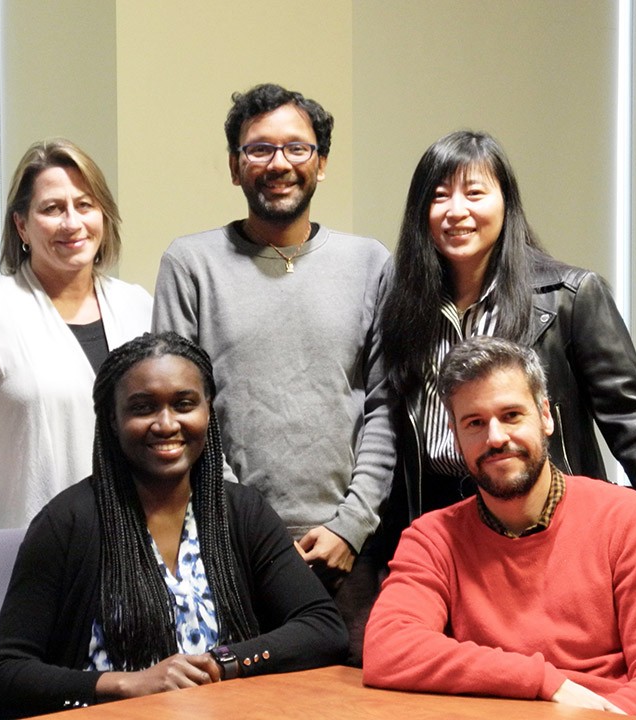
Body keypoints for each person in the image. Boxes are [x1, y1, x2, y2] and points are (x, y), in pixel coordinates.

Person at [380, 129, 636, 574]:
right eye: (438, 197)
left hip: (541, 520)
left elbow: (635, 426)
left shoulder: (569, 296)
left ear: (506, 202)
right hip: (439, 524)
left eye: (474, 193)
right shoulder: (404, 306)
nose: (456, 211)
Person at [0, 333, 347, 718]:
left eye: (184, 404)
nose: (167, 424)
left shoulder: (241, 512)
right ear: (113, 419)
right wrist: (127, 685)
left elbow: (323, 628)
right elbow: (3, 676)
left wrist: (221, 662)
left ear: (208, 410)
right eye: (143, 408)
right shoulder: (68, 522)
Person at [152, 83, 394, 661]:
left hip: (349, 550)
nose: (278, 163)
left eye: (296, 148)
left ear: (321, 163)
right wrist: (248, 529)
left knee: (354, 697)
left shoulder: (369, 262)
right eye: (259, 149)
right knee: (236, 697)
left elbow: (386, 406)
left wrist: (350, 526)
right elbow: (178, 413)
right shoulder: (191, 264)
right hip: (228, 547)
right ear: (236, 166)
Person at [363, 336, 636, 719]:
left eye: (511, 415)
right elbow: (388, 648)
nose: (495, 438)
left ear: (545, 417)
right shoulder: (433, 538)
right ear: (456, 439)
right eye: (475, 423)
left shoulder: (623, 518)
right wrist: (543, 681)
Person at [0, 138, 152, 547]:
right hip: (22, 556)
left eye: (85, 205)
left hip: (130, 553)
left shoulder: (139, 308)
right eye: (52, 209)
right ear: (21, 225)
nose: (72, 222)